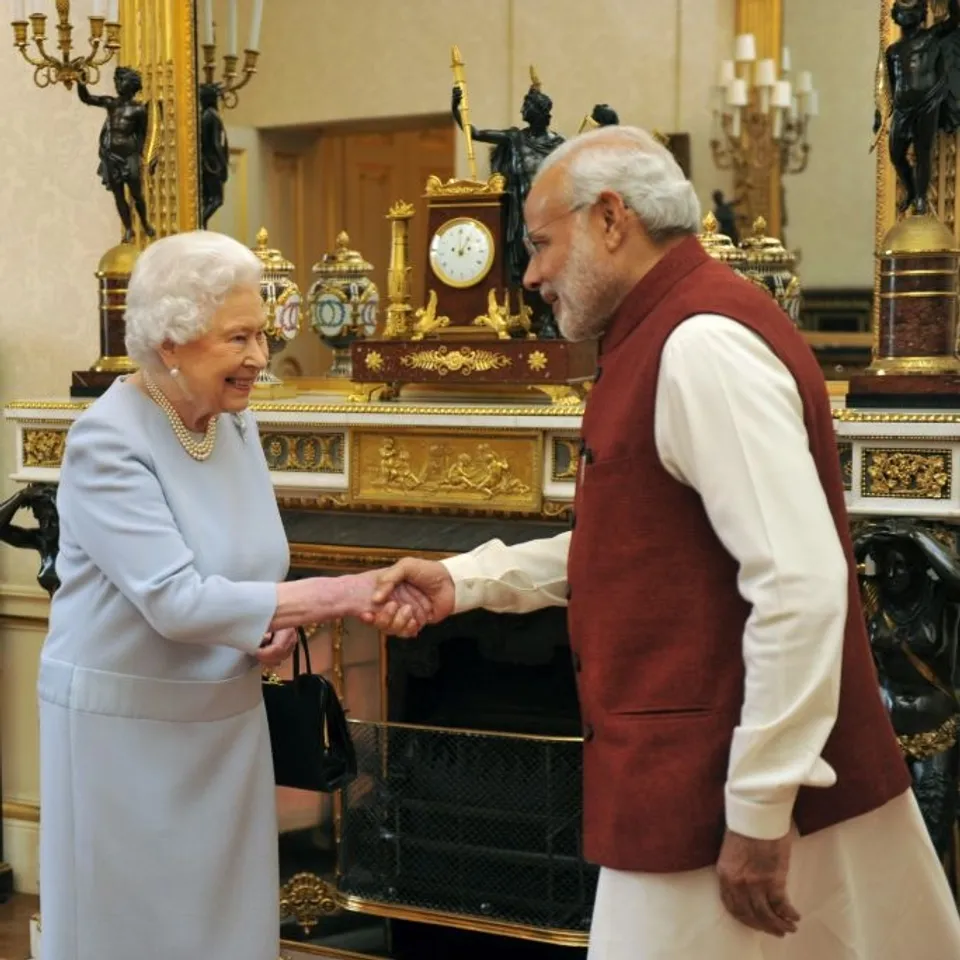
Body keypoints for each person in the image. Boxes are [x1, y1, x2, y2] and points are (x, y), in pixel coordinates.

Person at [367, 126, 960, 959]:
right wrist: (468, 580)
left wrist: (759, 807)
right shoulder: (664, 332)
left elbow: (800, 583)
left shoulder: (700, 344)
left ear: (612, 218)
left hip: (721, 798)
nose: (530, 274)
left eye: (540, 243)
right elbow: (646, 541)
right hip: (702, 784)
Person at [38, 231, 427, 960]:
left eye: (263, 333)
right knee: (138, 932)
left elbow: (250, 567)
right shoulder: (108, 442)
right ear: (173, 343)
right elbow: (175, 600)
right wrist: (343, 593)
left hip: (224, 722)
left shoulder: (232, 420)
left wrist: (262, 625)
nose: (260, 356)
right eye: (240, 337)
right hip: (127, 738)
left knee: (224, 929)